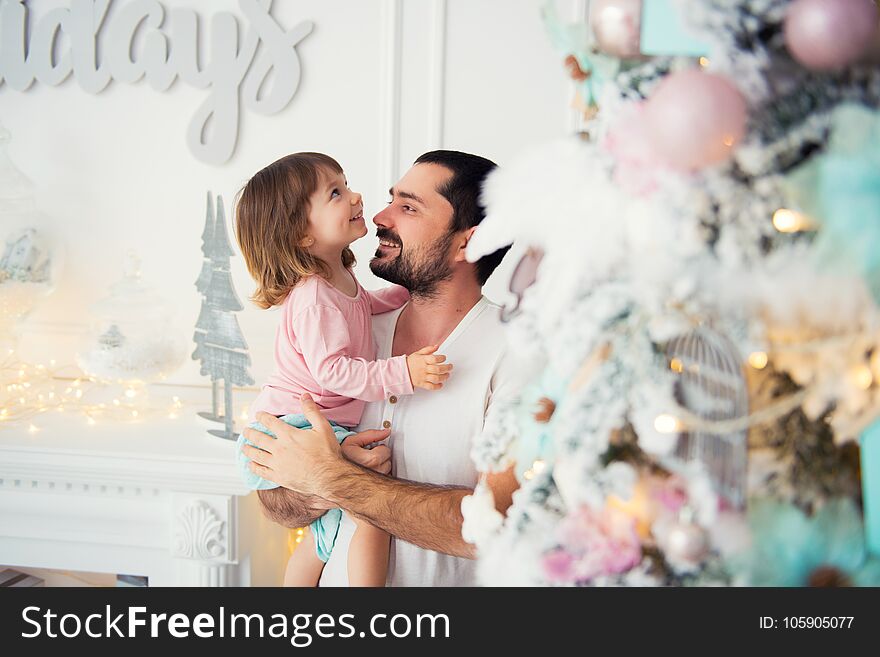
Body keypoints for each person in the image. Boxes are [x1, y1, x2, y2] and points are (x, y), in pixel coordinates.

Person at [241, 150, 523, 586]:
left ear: (468, 241)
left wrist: (333, 476)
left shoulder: (518, 353)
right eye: (392, 199)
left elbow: (494, 525)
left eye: (408, 207)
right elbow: (276, 502)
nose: (378, 215)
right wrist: (308, 477)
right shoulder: (344, 328)